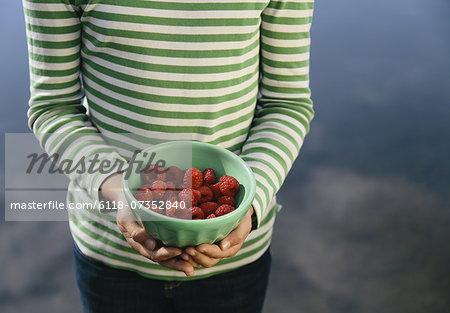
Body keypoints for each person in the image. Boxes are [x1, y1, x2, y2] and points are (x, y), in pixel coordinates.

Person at [23, 0, 315, 312]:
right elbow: (54, 108)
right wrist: (118, 192)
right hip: (112, 255)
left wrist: (249, 203)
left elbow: (286, 104)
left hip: (234, 254)